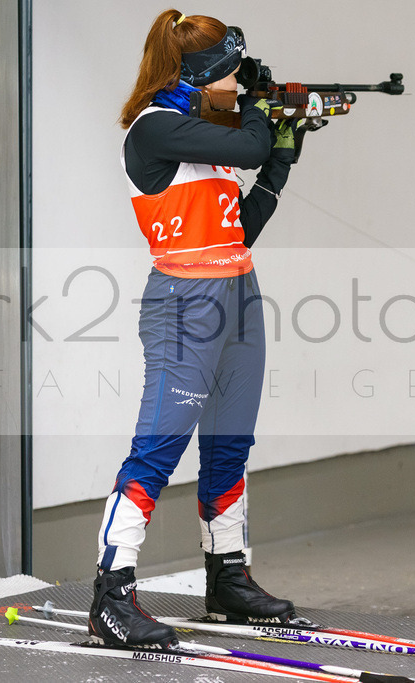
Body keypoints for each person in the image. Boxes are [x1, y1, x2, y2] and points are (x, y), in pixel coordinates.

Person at [88, 9, 303, 650]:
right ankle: (111, 593)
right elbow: (249, 142)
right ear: (203, 71)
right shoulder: (156, 132)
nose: (238, 83)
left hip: (238, 291)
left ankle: (227, 576)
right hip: (185, 301)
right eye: (233, 72)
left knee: (230, 441)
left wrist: (282, 161)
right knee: (158, 447)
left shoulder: (202, 140)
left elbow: (244, 223)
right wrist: (267, 113)